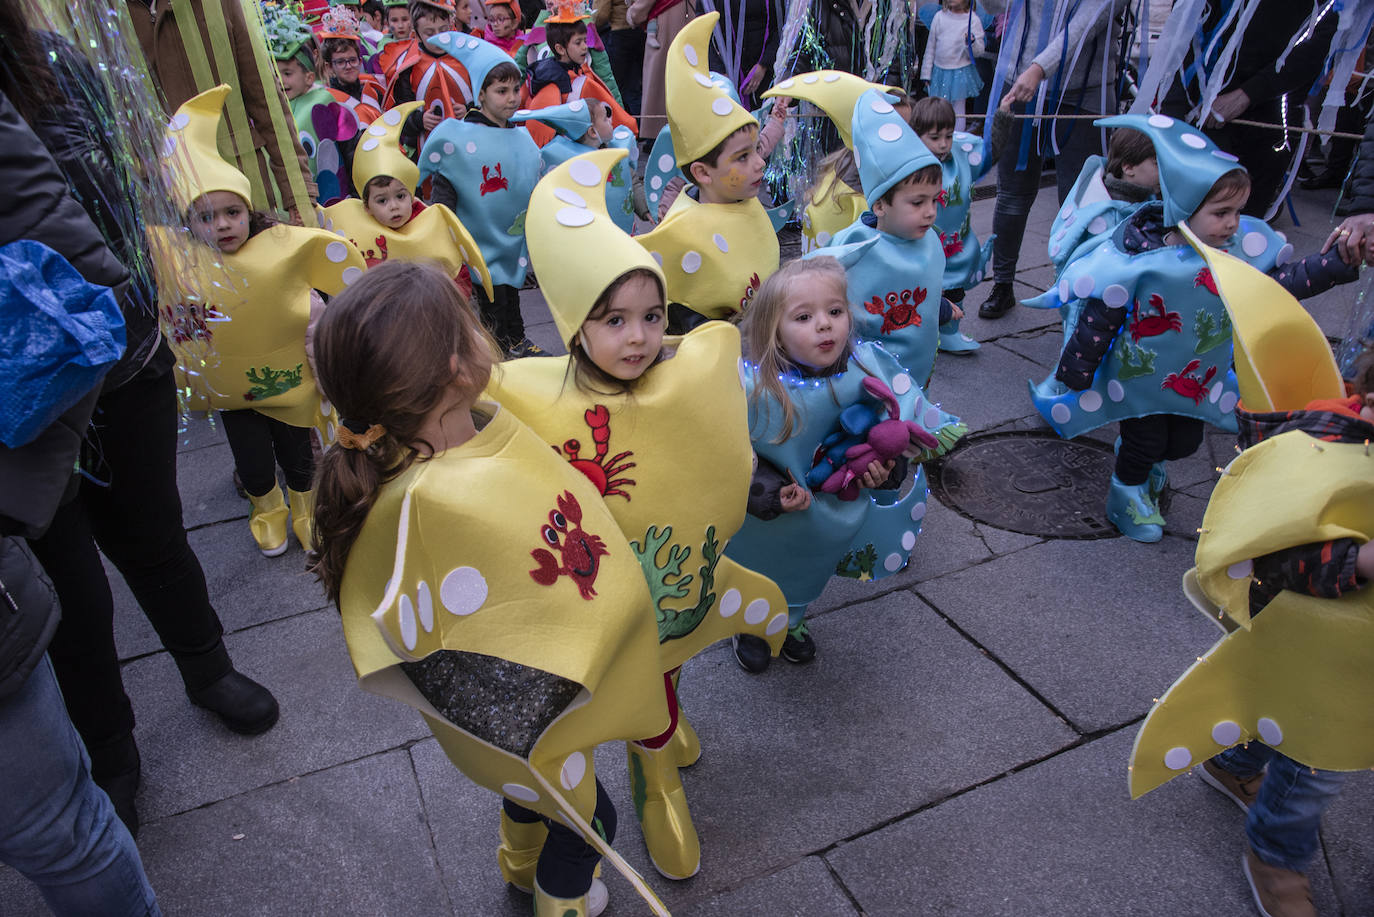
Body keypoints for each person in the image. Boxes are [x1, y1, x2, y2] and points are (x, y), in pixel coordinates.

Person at [309, 259, 675, 917]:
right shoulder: (441, 496)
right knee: (594, 822)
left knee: (531, 793)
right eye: (473, 321)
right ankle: (559, 900)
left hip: (505, 717)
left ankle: (517, 857)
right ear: (456, 368)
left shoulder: (418, 454)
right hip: (534, 707)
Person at [3, 1, 280, 837]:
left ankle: (207, 666)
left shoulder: (55, 69)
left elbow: (119, 206)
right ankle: (113, 747)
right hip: (16, 406)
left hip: (121, 363)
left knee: (155, 534)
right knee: (69, 586)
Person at [489, 148, 787, 882]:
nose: (639, 337)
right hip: (585, 604)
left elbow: (724, 451)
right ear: (572, 323)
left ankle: (656, 759)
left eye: (652, 315)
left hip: (674, 583)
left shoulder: (690, 368)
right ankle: (645, 766)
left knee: (670, 652)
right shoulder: (530, 393)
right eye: (614, 319)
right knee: (596, 693)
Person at [1127, 258, 1374, 917]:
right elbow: (1273, 558)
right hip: (1322, 647)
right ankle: (1275, 851)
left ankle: (1237, 759)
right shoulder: (1321, 457)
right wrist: (1360, 560)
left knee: (1278, 709)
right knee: (1316, 754)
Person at [1027, 114, 1358, 543]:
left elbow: (1280, 285)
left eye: (1238, 212)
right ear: (1183, 206)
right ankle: (1125, 491)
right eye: (1221, 213)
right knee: (1145, 441)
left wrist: (1336, 264)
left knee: (1182, 444)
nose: (1234, 224)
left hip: (1198, 378)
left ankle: (1141, 466)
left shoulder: (1231, 256)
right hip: (1138, 382)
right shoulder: (1135, 259)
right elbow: (1099, 318)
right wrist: (1076, 373)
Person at [0, 73, 160, 914]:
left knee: (60, 830)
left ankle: (130, 740)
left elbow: (89, 299)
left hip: (45, 442)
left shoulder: (47, 67)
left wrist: (15, 483)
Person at [157, 86, 366, 555]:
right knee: (251, 462)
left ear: (249, 213)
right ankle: (266, 508)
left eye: (233, 212)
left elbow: (313, 321)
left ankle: (306, 509)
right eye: (207, 217)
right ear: (189, 225)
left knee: (297, 455)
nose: (223, 225)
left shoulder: (281, 256)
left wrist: (324, 378)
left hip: (290, 385)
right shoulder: (183, 265)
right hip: (233, 396)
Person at [727, 257, 953, 673]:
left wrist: (885, 470)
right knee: (761, 568)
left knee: (807, 566)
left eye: (834, 311)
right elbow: (727, 455)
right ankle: (752, 625)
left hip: (826, 515)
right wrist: (770, 495)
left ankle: (793, 619)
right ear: (772, 331)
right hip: (765, 518)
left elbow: (887, 433)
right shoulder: (755, 389)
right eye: (804, 316)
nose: (825, 324)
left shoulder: (863, 372)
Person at [815, 89, 970, 402]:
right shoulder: (855, 246)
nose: (929, 211)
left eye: (933, 200)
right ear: (880, 205)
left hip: (918, 364)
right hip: (867, 374)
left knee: (910, 412)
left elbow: (919, 290)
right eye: (916, 202)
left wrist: (939, 308)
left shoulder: (927, 240)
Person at [976, 0, 1125, 321]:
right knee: (1012, 193)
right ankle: (1002, 283)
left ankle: (1079, 291)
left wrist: (1039, 68)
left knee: (1082, 201)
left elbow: (1087, 22)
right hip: (1020, 81)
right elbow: (998, 6)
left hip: (1084, 91)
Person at [633, 13, 779, 329]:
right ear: (702, 172)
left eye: (756, 150)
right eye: (742, 157)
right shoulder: (684, 233)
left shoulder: (746, 202)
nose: (759, 163)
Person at [127, 0, 317, 222]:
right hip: (163, 204)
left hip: (243, 196)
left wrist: (298, 195)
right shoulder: (97, 13)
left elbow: (265, 99)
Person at [421, 34, 544, 356]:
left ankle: (515, 341)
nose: (512, 98)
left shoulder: (521, 134)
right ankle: (494, 354)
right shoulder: (458, 137)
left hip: (510, 237)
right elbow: (445, 183)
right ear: (481, 94)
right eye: (501, 91)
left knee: (510, 290)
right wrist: (443, 227)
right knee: (489, 299)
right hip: (476, 241)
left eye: (516, 89)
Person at [322, 100, 493, 303]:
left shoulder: (433, 222)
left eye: (400, 196)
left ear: (411, 195)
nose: (394, 206)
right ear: (366, 206)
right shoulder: (355, 228)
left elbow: (457, 272)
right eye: (382, 200)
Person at [911, 95, 1012, 354]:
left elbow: (988, 155)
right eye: (934, 138)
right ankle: (919, 334)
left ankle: (949, 332)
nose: (944, 144)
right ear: (916, 134)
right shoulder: (908, 163)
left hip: (956, 245)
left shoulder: (960, 155)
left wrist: (1002, 117)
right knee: (921, 290)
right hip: (919, 244)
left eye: (949, 135)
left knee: (954, 290)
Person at [510, 100, 640, 232]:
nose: (611, 121)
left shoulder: (616, 152)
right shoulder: (566, 161)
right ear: (593, 132)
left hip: (618, 232)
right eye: (605, 119)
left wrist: (645, 209)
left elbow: (632, 181)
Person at [1045, 125, 1159, 276]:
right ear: (1128, 167)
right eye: (1157, 164)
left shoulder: (1149, 201)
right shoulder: (1102, 213)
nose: (1165, 171)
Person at [521, 4, 636, 147]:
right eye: (578, 42)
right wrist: (630, 128)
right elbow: (623, 121)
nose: (585, 46)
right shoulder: (580, 82)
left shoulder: (537, 73)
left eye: (585, 40)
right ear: (560, 49)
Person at [920, 0, 984, 132]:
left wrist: (970, 43)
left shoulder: (972, 20)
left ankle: (957, 139)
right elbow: (930, 47)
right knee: (937, 108)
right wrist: (926, 73)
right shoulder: (939, 17)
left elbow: (978, 52)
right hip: (939, 72)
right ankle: (937, 138)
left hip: (960, 73)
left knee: (958, 111)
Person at [593, 0, 641, 116]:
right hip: (639, 31)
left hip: (619, 34)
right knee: (634, 88)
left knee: (617, 88)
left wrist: (585, 25)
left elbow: (600, 15)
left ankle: (623, 125)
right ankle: (642, 127)